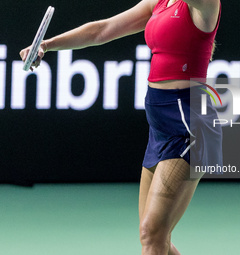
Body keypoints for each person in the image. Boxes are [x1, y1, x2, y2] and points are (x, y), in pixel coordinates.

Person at [20, 0, 222, 254]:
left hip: (189, 127)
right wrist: (47, 46)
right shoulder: (158, 2)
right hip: (160, 128)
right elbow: (101, 30)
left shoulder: (204, 4)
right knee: (154, 237)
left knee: (152, 234)